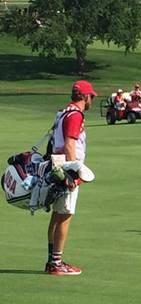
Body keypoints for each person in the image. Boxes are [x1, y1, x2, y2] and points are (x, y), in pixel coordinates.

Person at [46, 80, 97, 275]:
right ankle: (56, 264)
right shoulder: (75, 115)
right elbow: (69, 144)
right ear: (85, 97)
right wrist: (75, 172)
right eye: (91, 96)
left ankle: (52, 261)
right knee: (65, 216)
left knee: (57, 216)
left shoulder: (63, 112)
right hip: (66, 169)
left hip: (56, 165)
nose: (91, 99)